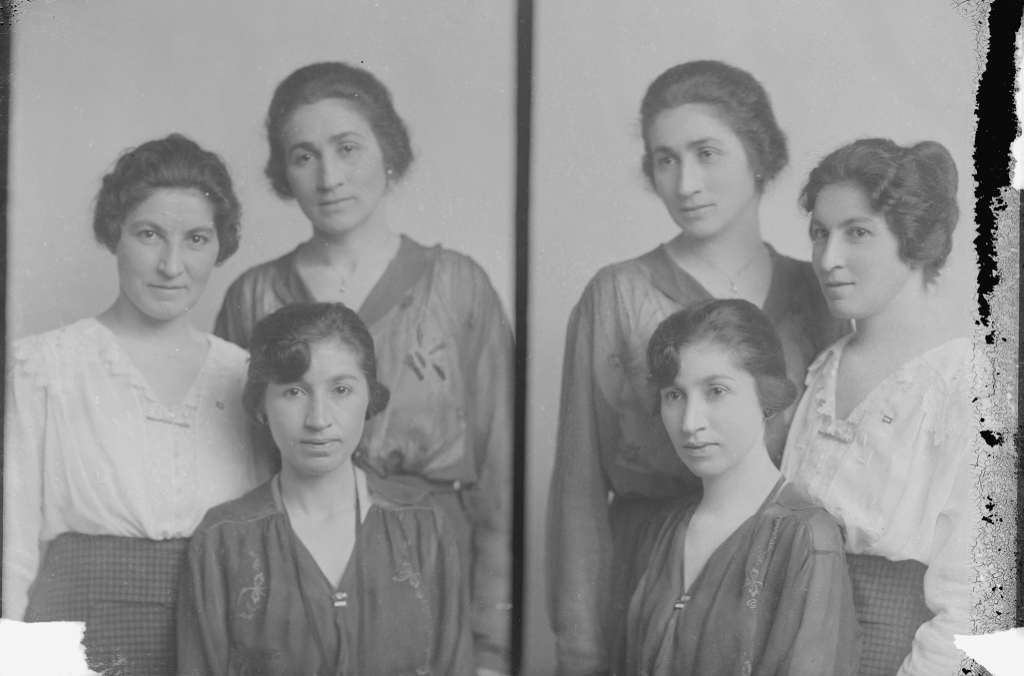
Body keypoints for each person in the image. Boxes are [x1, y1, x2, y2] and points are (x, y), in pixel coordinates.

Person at [546, 60, 846, 675]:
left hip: (774, 581)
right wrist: (580, 649)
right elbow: (578, 490)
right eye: (665, 159)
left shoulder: (818, 294)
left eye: (707, 153)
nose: (685, 183)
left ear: (760, 155)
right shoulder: (616, 294)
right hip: (642, 579)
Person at [213, 62, 513, 674]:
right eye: (304, 156)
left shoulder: (458, 286)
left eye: (348, 148)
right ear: (283, 172)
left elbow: (502, 482)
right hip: (291, 578)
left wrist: (490, 646)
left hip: (431, 570)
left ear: (389, 152)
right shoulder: (253, 296)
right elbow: (229, 472)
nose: (329, 177)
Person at [3, 134, 268, 675]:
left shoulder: (243, 375)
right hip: (73, 636)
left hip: (212, 638)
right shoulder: (45, 367)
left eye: (196, 239)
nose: (172, 265)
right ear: (114, 233)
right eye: (149, 234)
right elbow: (11, 546)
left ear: (220, 247)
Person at [178, 302, 476, 675]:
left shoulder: (422, 525)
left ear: (370, 397)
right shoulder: (224, 538)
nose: (318, 419)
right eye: (294, 392)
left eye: (341, 389)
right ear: (261, 405)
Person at [781, 138, 974, 676]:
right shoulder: (824, 368)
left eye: (858, 233)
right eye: (820, 233)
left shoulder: (967, 386)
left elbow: (974, 605)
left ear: (913, 239)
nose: (828, 259)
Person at [615, 299, 860, 676]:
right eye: (674, 395)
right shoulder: (660, 529)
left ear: (766, 396)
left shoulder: (807, 537)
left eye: (716, 390)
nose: (690, 423)